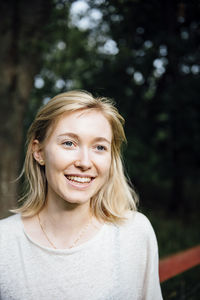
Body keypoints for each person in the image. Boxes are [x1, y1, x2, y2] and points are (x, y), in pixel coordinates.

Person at [0, 90, 163, 300]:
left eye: (99, 147)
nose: (85, 162)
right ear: (38, 151)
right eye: (69, 143)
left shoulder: (135, 233)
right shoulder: (4, 242)